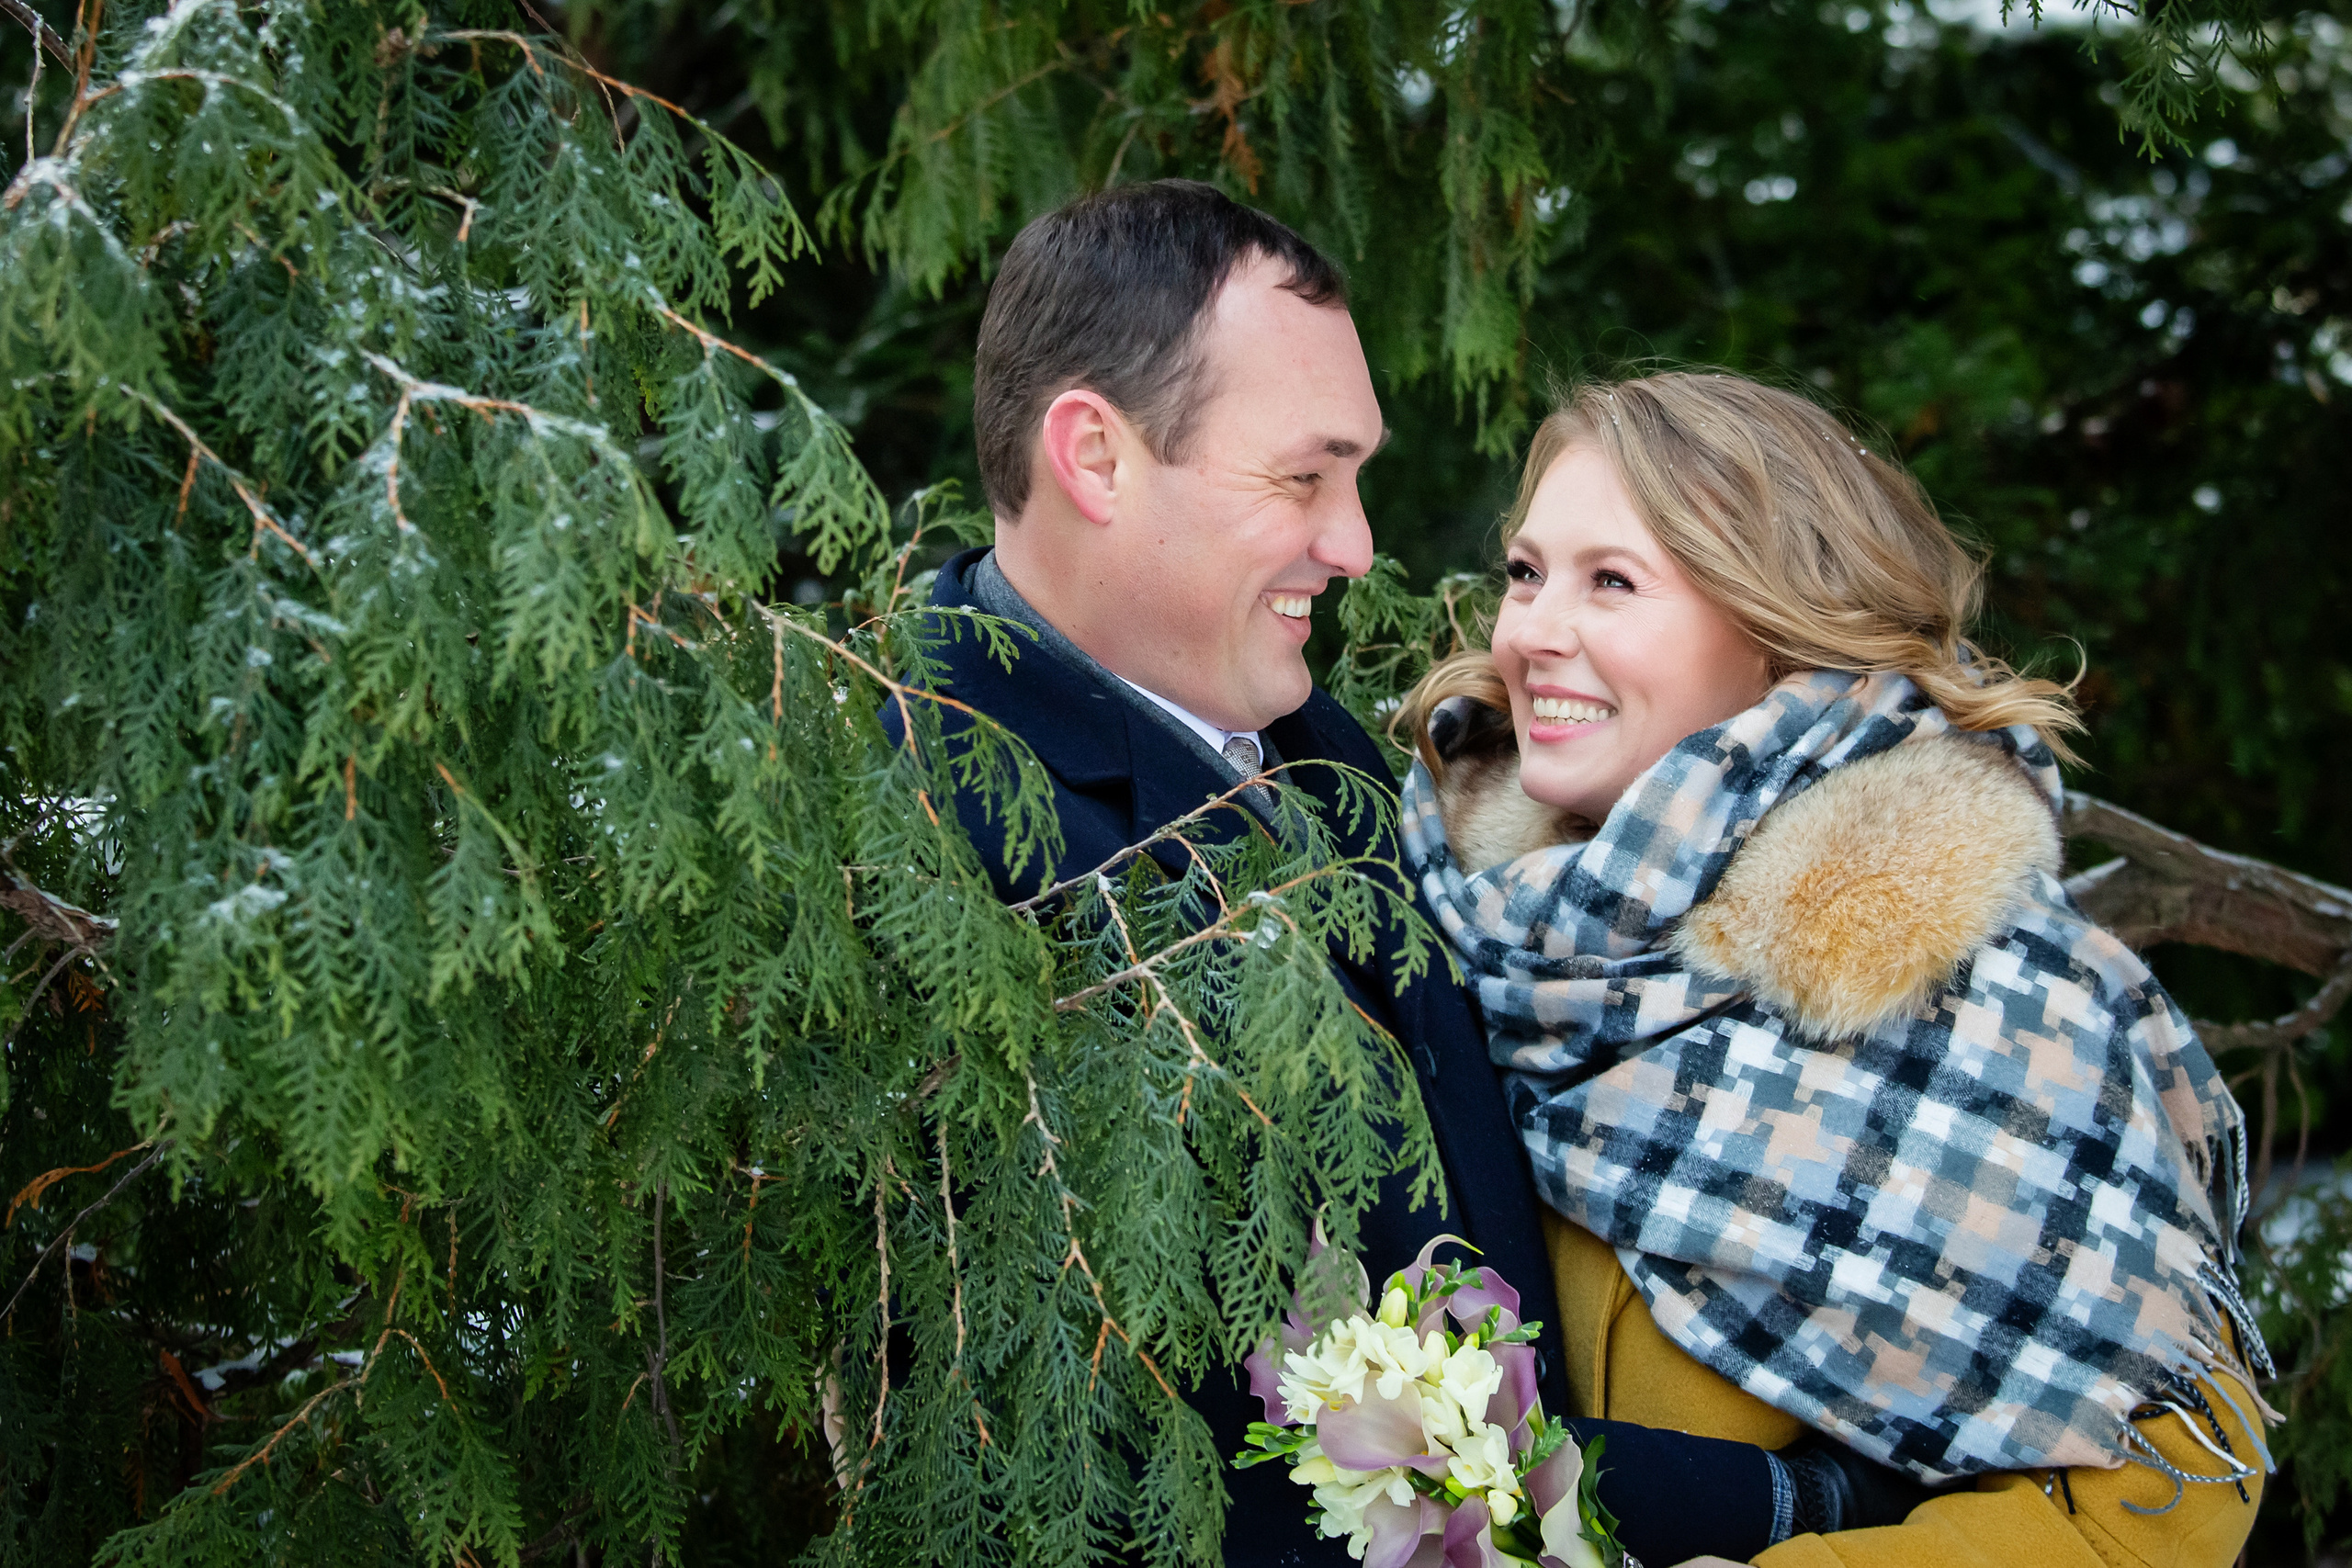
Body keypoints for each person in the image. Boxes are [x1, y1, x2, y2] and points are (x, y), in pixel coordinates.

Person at [888, 182, 1927, 1567]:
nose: (1357, 544)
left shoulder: (1324, 745)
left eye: (1359, 475)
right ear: (1096, 455)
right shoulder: (946, 843)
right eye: (1304, 477)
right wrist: (1814, 1503)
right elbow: (1284, 1459)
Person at [1395, 369, 2274, 1568]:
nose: (1534, 632)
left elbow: (2160, 1496)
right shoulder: (1433, 906)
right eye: (1527, 573)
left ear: (1769, 633)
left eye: (1613, 582)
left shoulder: (1959, 973)